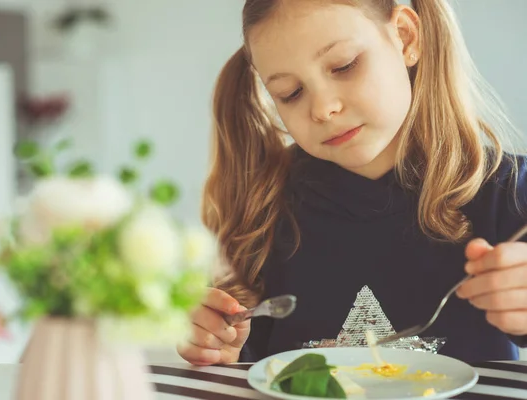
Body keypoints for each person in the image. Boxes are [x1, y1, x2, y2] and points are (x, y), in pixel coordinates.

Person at [177, 0, 527, 366]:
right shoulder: (260, 210)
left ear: (406, 37)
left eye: (344, 66)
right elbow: (252, 362)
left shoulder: (510, 193)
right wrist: (223, 346)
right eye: (290, 94)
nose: (322, 108)